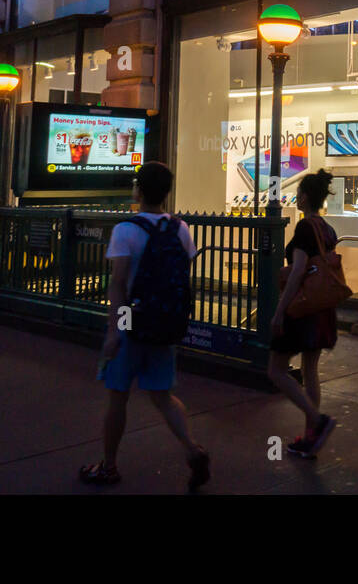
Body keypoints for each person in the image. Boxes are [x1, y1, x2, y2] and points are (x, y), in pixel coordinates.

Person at [79, 161, 211, 490]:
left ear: (139, 190)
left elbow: (119, 285)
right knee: (163, 395)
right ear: (167, 192)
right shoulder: (181, 229)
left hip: (131, 325)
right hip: (164, 324)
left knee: (117, 398)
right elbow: (182, 276)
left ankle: (108, 467)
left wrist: (115, 332)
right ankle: (193, 451)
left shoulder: (126, 230)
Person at [267, 169, 339, 458]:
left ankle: (317, 421)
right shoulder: (327, 229)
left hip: (303, 309)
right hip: (323, 308)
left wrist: (279, 311)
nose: (295, 198)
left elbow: (297, 272)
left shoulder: (305, 228)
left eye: (298, 193)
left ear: (305, 196)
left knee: (276, 369)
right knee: (311, 370)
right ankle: (310, 435)